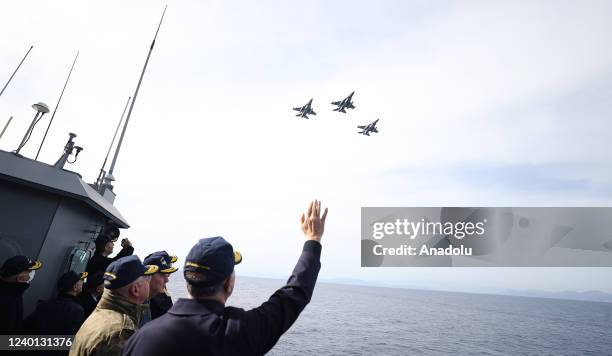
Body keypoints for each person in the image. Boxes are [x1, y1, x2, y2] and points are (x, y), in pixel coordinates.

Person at [124, 200, 328, 356]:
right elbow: (294, 294)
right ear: (229, 283)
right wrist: (313, 240)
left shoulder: (141, 337)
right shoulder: (237, 333)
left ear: (188, 279)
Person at [70, 256, 158, 356]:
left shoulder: (100, 316)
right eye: (147, 279)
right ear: (135, 290)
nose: (149, 282)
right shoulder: (119, 334)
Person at [23, 270, 87, 335]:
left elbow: (27, 326)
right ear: (75, 287)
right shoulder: (77, 311)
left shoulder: (44, 304)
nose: (82, 282)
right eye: (79, 280)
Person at [0, 255, 42, 334]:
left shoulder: (13, 294)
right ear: (20, 278)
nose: (32, 274)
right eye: (29, 271)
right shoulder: (10, 303)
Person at [141, 251, 178, 324]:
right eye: (163, 274)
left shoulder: (151, 295)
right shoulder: (141, 303)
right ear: (149, 276)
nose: (167, 279)